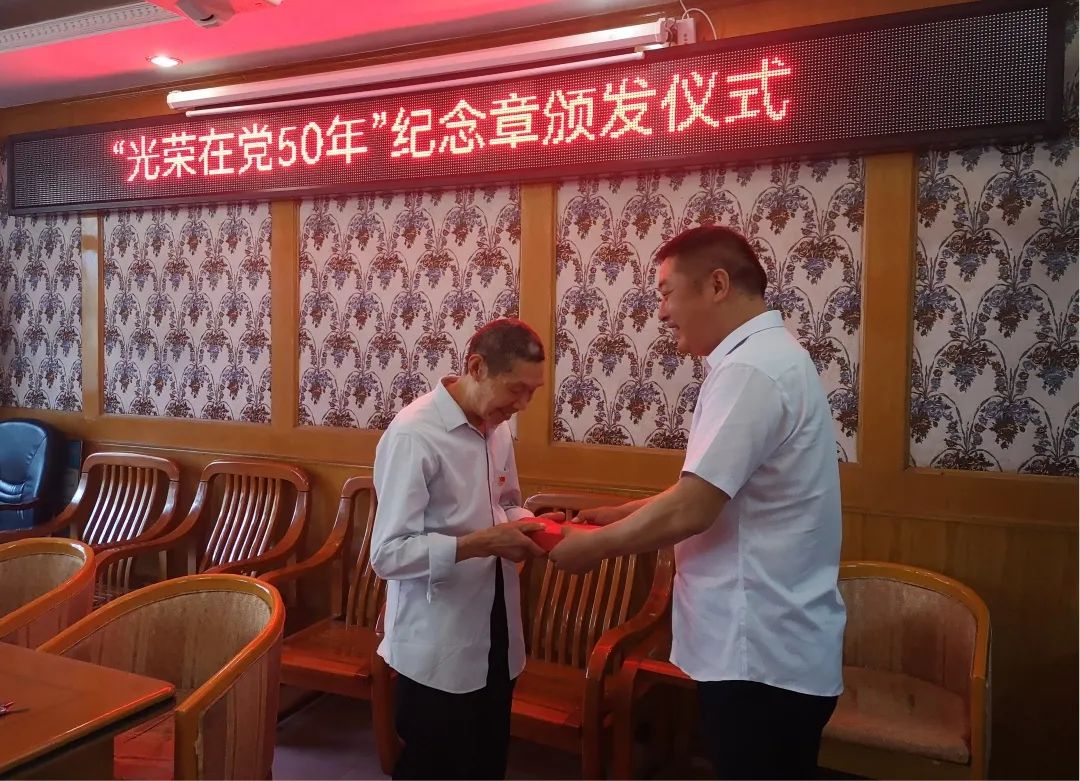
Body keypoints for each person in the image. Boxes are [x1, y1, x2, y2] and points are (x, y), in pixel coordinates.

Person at [549, 225, 846, 780]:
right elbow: (716, 487)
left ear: (716, 285)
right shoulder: (767, 357)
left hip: (758, 652)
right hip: (768, 648)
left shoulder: (751, 369)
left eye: (666, 293)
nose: (661, 312)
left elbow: (695, 507)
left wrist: (593, 548)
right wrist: (624, 513)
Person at [370, 317, 558, 781]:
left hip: (497, 629)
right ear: (476, 367)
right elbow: (388, 554)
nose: (523, 404)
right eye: (516, 389)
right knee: (432, 768)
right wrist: (478, 544)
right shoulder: (414, 434)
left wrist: (537, 527)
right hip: (436, 641)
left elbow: (504, 505)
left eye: (532, 391)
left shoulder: (498, 428)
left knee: (486, 764)